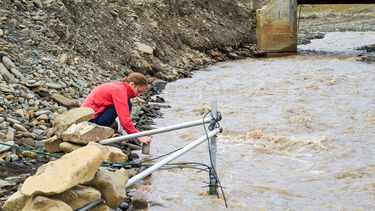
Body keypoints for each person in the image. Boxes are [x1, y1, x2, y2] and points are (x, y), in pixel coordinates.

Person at [81, 72, 152, 145]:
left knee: (128, 104)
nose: (139, 95)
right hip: (89, 124)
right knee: (126, 106)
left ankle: (113, 130)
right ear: (132, 84)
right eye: (139, 91)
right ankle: (100, 133)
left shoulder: (119, 87)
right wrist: (139, 136)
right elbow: (124, 120)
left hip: (91, 117)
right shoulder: (119, 91)